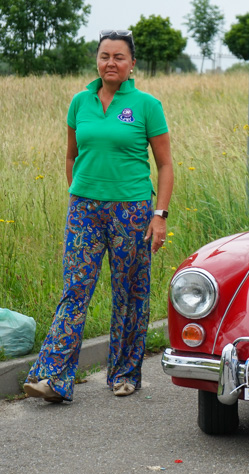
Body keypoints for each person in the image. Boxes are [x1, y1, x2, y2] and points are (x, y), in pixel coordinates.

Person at [22, 30, 174, 402]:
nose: (111, 63)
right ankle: (53, 379)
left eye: (119, 57)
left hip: (132, 211)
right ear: (97, 60)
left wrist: (159, 216)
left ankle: (124, 374)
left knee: (129, 293)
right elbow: (72, 155)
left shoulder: (146, 105)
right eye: (104, 56)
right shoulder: (80, 102)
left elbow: (166, 165)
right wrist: (79, 193)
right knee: (74, 290)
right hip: (85, 211)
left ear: (132, 64)